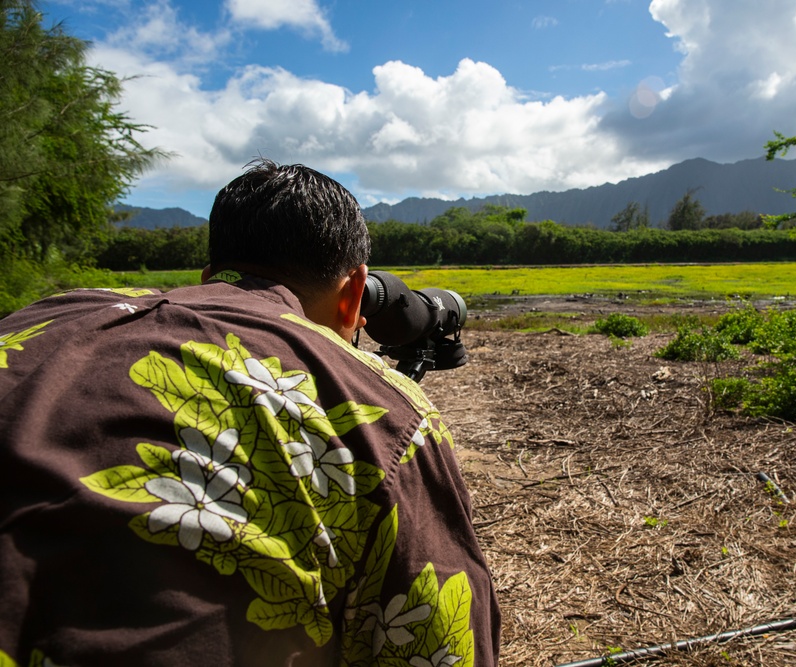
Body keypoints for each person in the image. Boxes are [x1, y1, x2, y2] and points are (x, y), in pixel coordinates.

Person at [0, 159, 500, 666]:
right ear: (353, 296)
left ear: (207, 277)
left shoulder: (42, 318)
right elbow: (441, 649)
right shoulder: (377, 412)